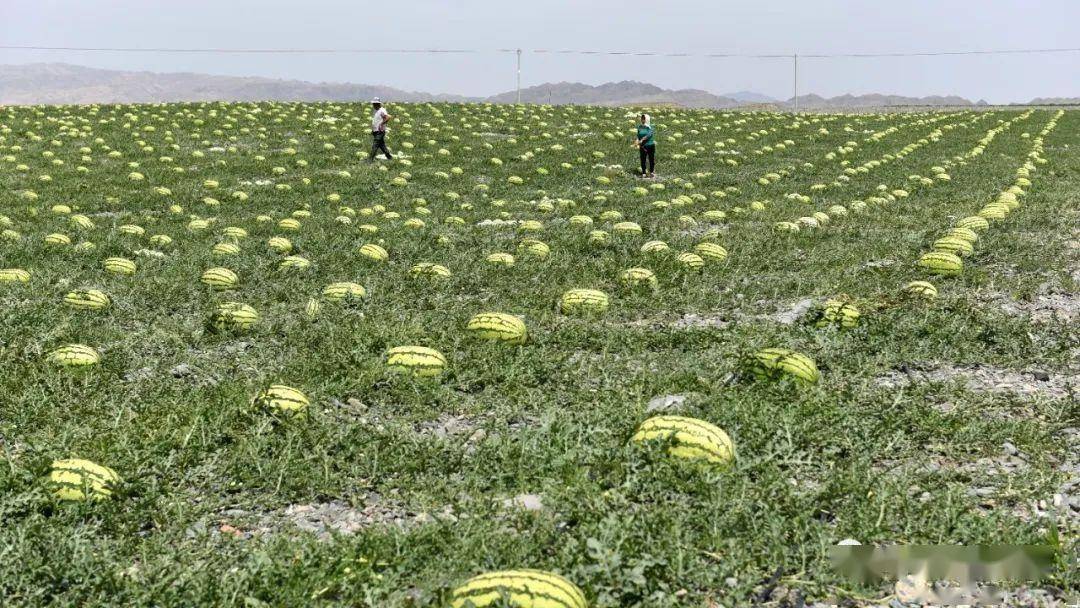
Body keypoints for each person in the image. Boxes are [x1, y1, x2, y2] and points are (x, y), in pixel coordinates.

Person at [634, 113, 656, 177]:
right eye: (642, 118)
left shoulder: (650, 127)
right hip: (643, 146)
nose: (642, 120)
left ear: (647, 119)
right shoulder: (640, 127)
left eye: (643, 118)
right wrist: (637, 140)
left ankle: (651, 172)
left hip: (650, 145)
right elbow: (638, 135)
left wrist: (642, 140)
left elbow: (649, 135)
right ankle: (643, 172)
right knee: (643, 159)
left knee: (651, 159)